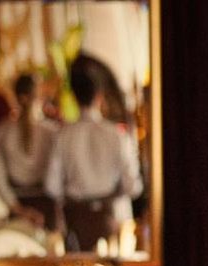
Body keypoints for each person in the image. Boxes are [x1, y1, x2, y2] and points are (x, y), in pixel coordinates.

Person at [45, 59, 142, 252]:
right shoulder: (117, 136)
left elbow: (52, 186)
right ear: (99, 96)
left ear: (74, 96)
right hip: (114, 231)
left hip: (76, 229)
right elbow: (133, 186)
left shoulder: (63, 136)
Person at [0, 73, 59, 230]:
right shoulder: (51, 132)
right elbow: (58, 179)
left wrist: (20, 211)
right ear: (40, 96)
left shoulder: (4, 131)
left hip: (16, 208)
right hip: (46, 210)